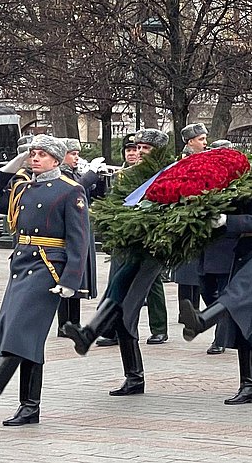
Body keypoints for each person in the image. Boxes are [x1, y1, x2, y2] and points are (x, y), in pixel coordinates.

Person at [0, 135, 94, 426]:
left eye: (42, 154)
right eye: (32, 153)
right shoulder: (24, 186)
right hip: (22, 265)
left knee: (21, 330)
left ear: (57, 160)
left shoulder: (69, 191)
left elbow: (79, 238)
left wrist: (72, 279)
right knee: (28, 336)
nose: (35, 158)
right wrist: (8, 169)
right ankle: (29, 407)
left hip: (48, 268)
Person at [179, 131, 252, 405]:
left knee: (237, 293)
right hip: (245, 250)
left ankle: (202, 321)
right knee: (245, 318)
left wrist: (227, 222)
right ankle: (250, 386)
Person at [92, 130, 170, 350]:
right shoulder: (127, 174)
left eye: (146, 148)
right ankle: (115, 330)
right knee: (116, 281)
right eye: (138, 147)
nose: (140, 152)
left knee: (148, 287)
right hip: (124, 238)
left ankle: (158, 328)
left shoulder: (166, 173)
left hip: (151, 239)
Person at [58, 139, 103, 337]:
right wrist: (90, 174)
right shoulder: (61, 174)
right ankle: (64, 324)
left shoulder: (75, 173)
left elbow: (91, 195)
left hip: (82, 226)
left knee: (78, 277)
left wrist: (98, 179)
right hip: (68, 231)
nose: (76, 157)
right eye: (72, 153)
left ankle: (74, 321)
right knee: (68, 275)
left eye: (77, 153)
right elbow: (75, 189)